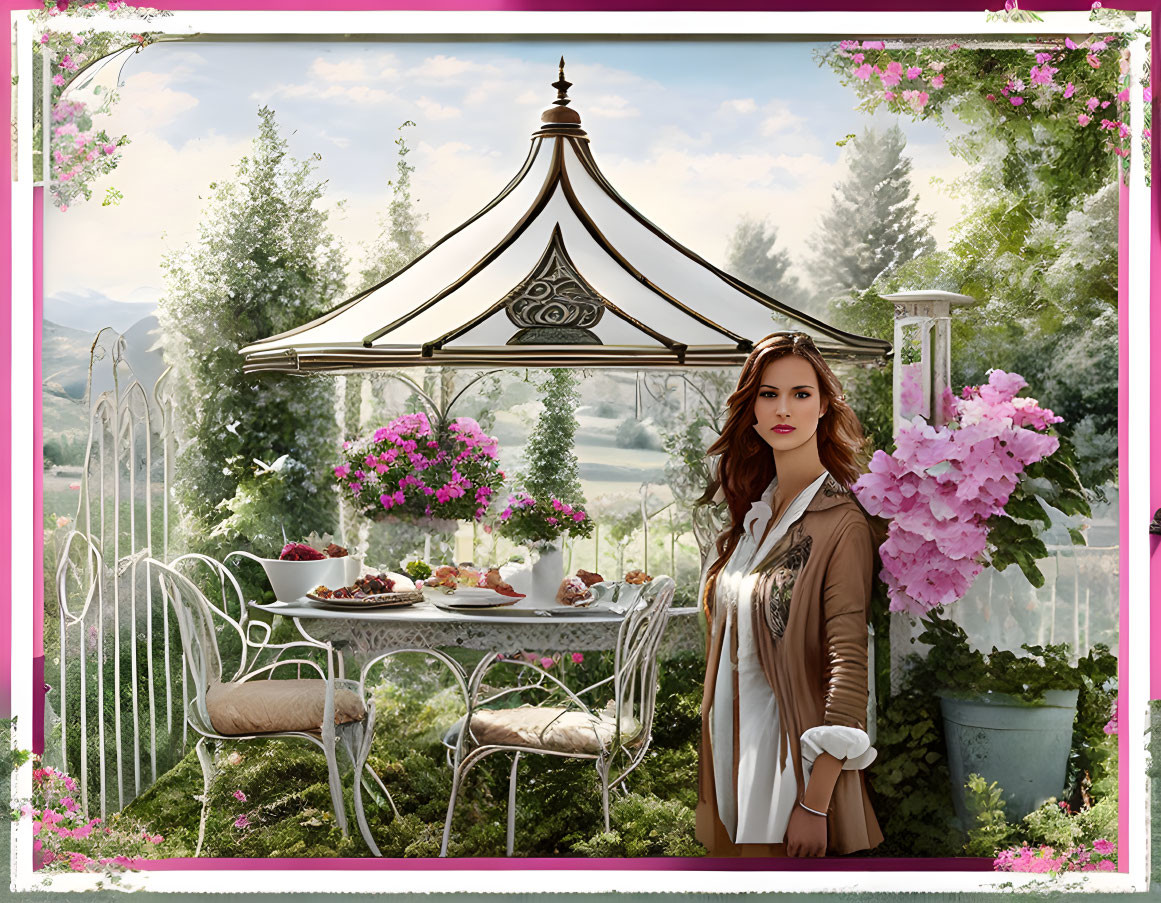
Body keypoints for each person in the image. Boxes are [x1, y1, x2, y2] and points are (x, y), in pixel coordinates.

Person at [695, 331, 883, 858]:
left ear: (824, 406)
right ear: (751, 409)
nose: (784, 408)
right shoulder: (756, 516)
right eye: (768, 394)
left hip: (787, 775)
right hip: (731, 764)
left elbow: (848, 662)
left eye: (801, 394)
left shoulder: (841, 524)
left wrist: (816, 802)